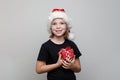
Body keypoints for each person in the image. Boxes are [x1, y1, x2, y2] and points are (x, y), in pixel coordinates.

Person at [36, 8, 82, 80]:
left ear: (66, 26)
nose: (58, 26)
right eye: (54, 24)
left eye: (62, 23)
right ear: (50, 27)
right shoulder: (46, 46)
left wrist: (72, 66)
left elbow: (78, 69)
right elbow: (39, 69)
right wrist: (57, 64)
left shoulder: (72, 44)